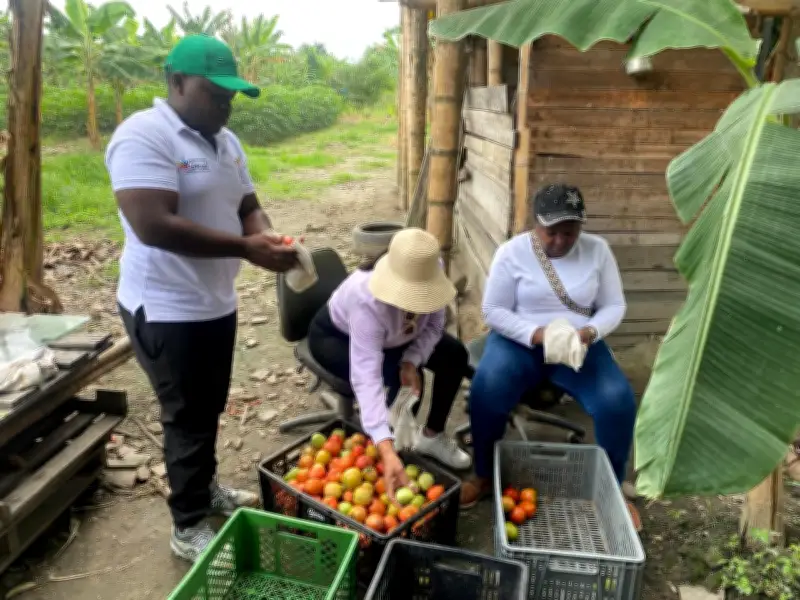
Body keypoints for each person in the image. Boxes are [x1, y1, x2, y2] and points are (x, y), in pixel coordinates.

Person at [105, 35, 298, 562]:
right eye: (216, 94)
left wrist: (269, 238)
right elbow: (153, 225)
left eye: (231, 96)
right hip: (166, 307)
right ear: (176, 83)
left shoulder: (226, 141)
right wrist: (245, 248)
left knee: (209, 403)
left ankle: (205, 488)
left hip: (214, 300)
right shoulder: (143, 136)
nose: (225, 104)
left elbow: (249, 205)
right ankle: (187, 522)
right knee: (186, 413)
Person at [460, 184, 640, 527]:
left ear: (581, 227)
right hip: (521, 341)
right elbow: (494, 311)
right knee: (487, 389)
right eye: (551, 232)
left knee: (616, 401)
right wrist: (538, 335)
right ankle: (483, 474)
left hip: (577, 344)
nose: (559, 241)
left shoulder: (598, 251)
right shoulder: (512, 253)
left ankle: (613, 488)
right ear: (535, 224)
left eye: (569, 233)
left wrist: (589, 333)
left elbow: (614, 305)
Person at [307, 228, 472, 501]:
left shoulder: (428, 268)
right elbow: (366, 375)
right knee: (403, 382)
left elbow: (433, 326)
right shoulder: (366, 301)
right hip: (336, 338)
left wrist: (411, 359)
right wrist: (384, 445)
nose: (417, 303)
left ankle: (431, 435)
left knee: (453, 355)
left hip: (400, 336)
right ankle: (393, 453)